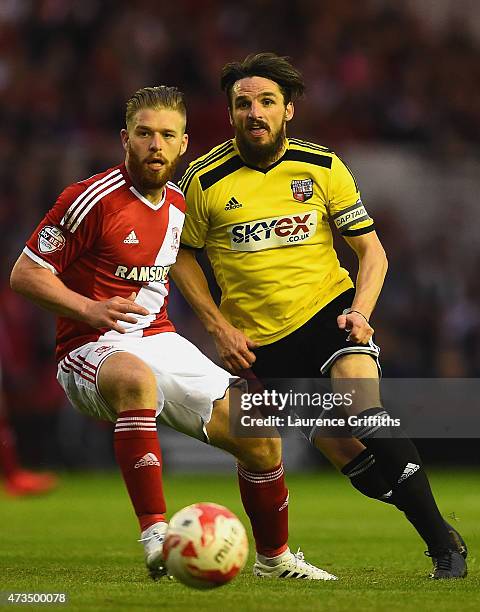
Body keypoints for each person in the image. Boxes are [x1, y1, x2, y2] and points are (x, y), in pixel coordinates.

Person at [10, 85, 336, 581]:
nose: (155, 145)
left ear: (184, 144)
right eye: (144, 134)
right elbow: (25, 274)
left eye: (167, 135)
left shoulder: (181, 204)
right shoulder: (89, 199)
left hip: (159, 340)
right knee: (137, 379)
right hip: (90, 347)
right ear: (126, 138)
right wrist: (89, 309)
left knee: (262, 437)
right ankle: (156, 535)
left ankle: (275, 561)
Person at [171, 54, 467, 579]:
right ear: (231, 112)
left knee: (360, 409)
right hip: (264, 345)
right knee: (356, 463)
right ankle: (439, 526)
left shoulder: (322, 166)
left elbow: (372, 253)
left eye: (266, 102)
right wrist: (218, 325)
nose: (254, 112)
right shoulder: (203, 179)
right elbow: (184, 256)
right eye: (243, 103)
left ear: (289, 110)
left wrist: (361, 313)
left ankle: (444, 551)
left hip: (330, 316)